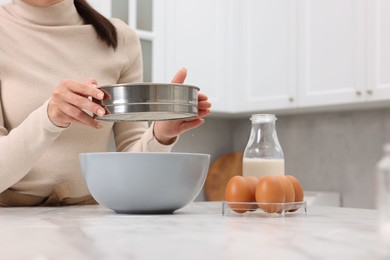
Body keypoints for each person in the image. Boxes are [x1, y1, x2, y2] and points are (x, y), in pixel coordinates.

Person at [0, 0, 211, 206]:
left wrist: (160, 135)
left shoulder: (120, 38)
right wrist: (48, 118)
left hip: (88, 219)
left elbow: (132, 169)